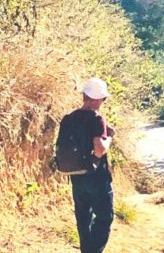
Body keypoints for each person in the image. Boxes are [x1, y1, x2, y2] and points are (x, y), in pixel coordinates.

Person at [60, 77, 115, 253]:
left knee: (83, 219)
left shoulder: (68, 119)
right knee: (105, 217)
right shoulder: (97, 119)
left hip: (76, 176)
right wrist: (109, 138)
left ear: (84, 95)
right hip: (97, 177)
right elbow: (99, 150)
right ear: (99, 99)